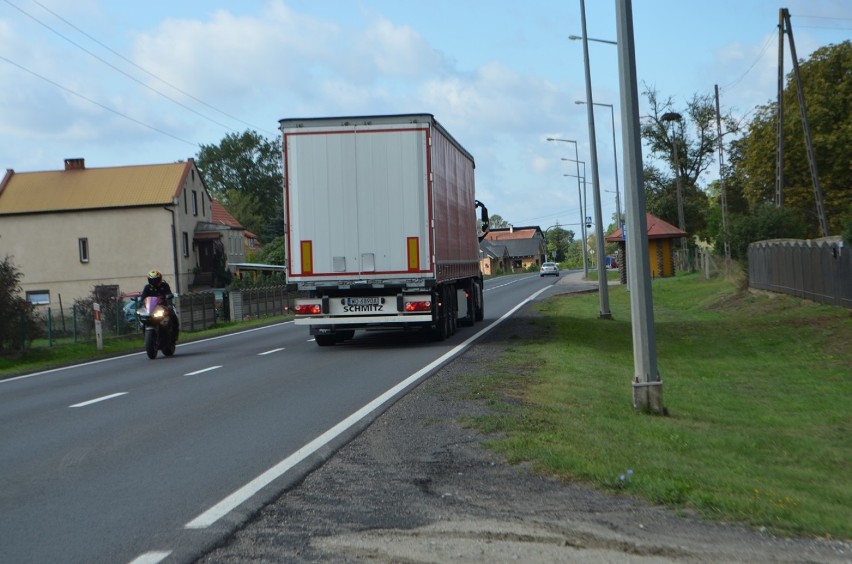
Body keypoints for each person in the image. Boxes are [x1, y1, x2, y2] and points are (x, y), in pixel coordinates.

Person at [140, 270, 179, 338]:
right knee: (143, 318)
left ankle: (174, 334)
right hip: (152, 309)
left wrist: (168, 298)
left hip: (164, 306)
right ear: (149, 280)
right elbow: (143, 297)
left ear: (160, 279)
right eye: (152, 280)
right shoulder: (147, 287)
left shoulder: (164, 285)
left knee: (173, 315)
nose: (154, 282)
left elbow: (169, 294)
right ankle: (145, 334)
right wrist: (140, 304)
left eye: (156, 279)